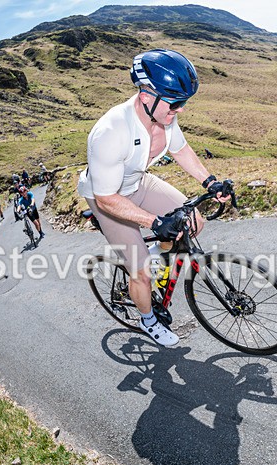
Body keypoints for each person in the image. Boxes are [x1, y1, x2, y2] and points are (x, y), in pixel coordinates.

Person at [77, 49, 231, 347]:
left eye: (184, 102)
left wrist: (209, 182)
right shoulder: (110, 132)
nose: (181, 109)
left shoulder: (165, 116)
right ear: (147, 96)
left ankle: (160, 257)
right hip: (108, 198)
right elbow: (107, 197)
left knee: (193, 222)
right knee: (142, 272)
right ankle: (148, 319)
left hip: (138, 181)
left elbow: (182, 151)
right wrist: (154, 221)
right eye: (176, 102)